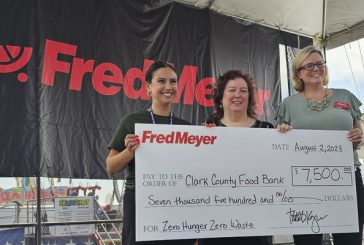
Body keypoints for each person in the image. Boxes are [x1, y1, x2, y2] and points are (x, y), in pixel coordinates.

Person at [275, 45, 363, 245]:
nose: (316, 68)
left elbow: (359, 136)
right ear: (298, 73)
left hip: (346, 179)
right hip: (304, 182)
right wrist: (282, 132)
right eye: (309, 65)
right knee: (307, 240)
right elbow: (281, 140)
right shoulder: (288, 104)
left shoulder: (345, 96)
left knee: (349, 239)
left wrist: (359, 136)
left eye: (319, 63)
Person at [106, 61, 194, 245]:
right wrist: (129, 151)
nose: (168, 87)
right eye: (161, 81)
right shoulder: (132, 121)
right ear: (148, 87)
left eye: (173, 81)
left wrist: (210, 136)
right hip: (140, 201)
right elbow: (111, 166)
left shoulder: (186, 127)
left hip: (177, 201)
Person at [199, 69, 273, 245]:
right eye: (232, 90)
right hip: (215, 223)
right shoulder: (206, 130)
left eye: (243, 90)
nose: (237, 95)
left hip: (256, 222)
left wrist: (287, 136)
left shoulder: (268, 130)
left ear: (250, 96)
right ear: (221, 96)